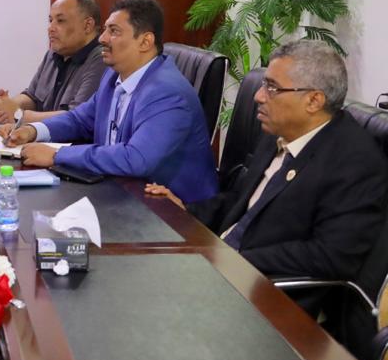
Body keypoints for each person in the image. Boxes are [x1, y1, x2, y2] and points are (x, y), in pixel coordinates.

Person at [146, 40, 388, 311]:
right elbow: (241, 202)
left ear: (313, 100)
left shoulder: (355, 163)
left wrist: (234, 258)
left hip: (268, 296)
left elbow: (330, 256)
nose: (259, 96)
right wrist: (185, 211)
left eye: (272, 88)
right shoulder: (281, 132)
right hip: (221, 266)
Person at [5, 0, 218, 202]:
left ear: (145, 41)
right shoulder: (114, 75)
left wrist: (57, 155)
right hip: (118, 190)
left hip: (170, 210)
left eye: (114, 31)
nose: (102, 38)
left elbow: (136, 158)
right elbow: (80, 119)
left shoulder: (167, 92)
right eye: (106, 29)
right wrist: (34, 131)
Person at [0, 0, 105, 125]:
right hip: (39, 135)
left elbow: (77, 117)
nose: (50, 28)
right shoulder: (53, 54)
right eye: (50, 20)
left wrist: (19, 115)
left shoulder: (102, 59)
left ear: (87, 25)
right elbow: (32, 97)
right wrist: (7, 105)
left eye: (60, 21)